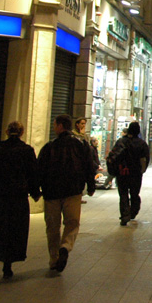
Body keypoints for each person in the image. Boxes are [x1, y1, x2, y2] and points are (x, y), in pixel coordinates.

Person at [0, 121, 40, 279]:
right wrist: (35, 192)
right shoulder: (26, 151)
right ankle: (7, 266)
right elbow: (32, 174)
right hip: (18, 197)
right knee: (14, 230)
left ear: (6, 131)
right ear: (22, 132)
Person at [36, 113, 96, 272]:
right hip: (73, 191)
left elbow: (39, 170)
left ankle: (54, 258)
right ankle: (65, 246)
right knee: (72, 223)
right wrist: (90, 186)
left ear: (60, 126)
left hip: (52, 193)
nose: (54, 127)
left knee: (52, 227)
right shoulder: (81, 145)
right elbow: (89, 166)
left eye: (55, 124)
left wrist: (36, 190)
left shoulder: (49, 147)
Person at [109, 121, 150, 225]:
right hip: (136, 173)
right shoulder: (142, 144)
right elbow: (146, 159)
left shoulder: (121, 141)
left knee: (123, 194)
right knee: (134, 193)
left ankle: (125, 215)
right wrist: (142, 170)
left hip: (122, 172)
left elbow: (113, 156)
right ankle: (133, 211)